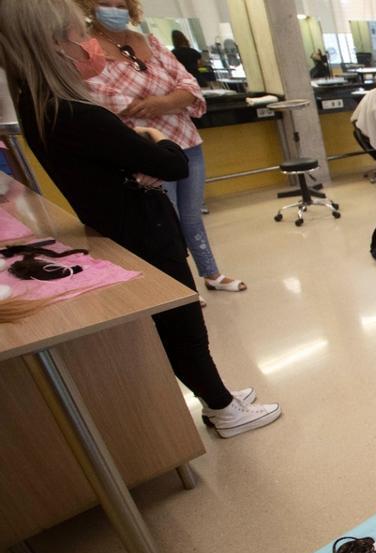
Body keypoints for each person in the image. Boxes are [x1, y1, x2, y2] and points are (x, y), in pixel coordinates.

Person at [0, 0, 281, 437]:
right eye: (79, 37)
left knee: (180, 318)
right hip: (141, 227)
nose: (89, 45)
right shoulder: (77, 114)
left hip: (124, 219)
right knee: (181, 320)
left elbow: (157, 126)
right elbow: (170, 162)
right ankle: (223, 409)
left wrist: (142, 141)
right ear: (55, 46)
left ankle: (216, 393)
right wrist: (154, 138)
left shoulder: (38, 106)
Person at [75, 0, 246, 296]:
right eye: (106, 3)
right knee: (165, 220)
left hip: (185, 141)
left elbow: (188, 85)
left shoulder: (148, 41)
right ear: (90, 6)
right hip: (145, 149)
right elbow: (106, 99)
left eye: (120, 4)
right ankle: (179, 285)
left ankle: (211, 272)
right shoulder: (87, 50)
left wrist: (157, 103)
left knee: (192, 216)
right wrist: (169, 100)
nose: (115, 9)